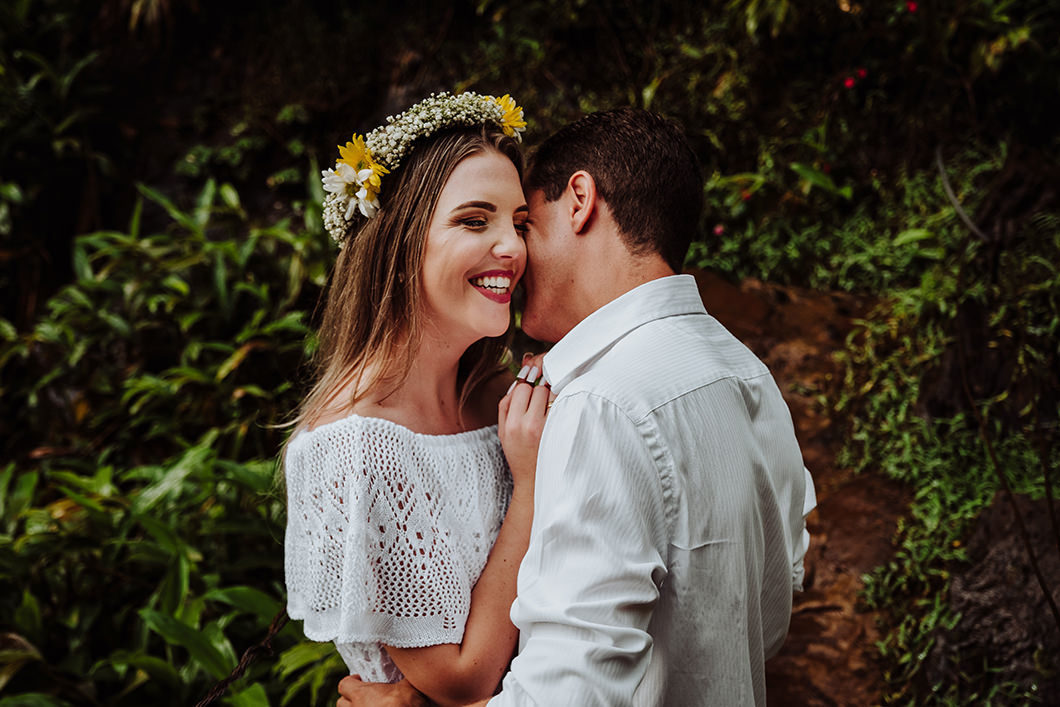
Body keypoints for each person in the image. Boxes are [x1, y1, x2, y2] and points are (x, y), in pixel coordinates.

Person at [336, 106, 817, 706]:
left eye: (525, 225)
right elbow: (768, 616)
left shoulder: (600, 405)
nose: (512, 253)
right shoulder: (744, 371)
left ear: (580, 200)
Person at [283, 92, 554, 706]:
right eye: (474, 220)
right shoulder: (358, 445)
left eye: (519, 223)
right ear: (400, 244)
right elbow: (461, 679)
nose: (512, 248)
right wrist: (531, 487)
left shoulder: (496, 397)